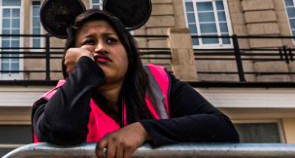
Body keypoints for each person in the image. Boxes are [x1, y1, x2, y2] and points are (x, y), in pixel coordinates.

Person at [32, 9, 239, 158]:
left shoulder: (158, 83)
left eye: (111, 40)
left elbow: (223, 130)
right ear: (73, 55)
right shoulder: (52, 102)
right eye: (89, 42)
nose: (101, 48)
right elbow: (63, 130)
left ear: (128, 54)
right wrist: (83, 69)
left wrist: (144, 130)